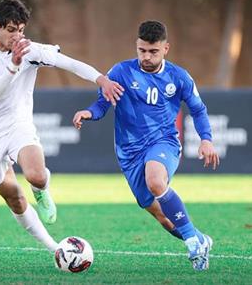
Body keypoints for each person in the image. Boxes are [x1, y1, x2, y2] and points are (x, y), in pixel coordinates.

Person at [0, 0, 123, 252]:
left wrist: (101, 79)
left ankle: (42, 191)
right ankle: (54, 248)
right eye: (11, 30)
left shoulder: (30, 50)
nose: (17, 37)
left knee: (36, 176)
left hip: (17, 124)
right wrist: (14, 66)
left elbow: (69, 63)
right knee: (14, 198)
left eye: (21, 30)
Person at [73, 20, 219, 270]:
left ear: (166, 49)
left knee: (155, 180)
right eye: (142, 50)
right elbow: (102, 103)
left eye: (153, 51)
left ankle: (193, 244)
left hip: (163, 142)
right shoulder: (121, 72)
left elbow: (198, 109)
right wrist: (89, 113)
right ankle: (200, 238)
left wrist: (206, 138)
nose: (146, 57)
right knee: (163, 217)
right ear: (136, 47)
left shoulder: (179, 77)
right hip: (129, 153)